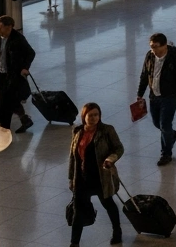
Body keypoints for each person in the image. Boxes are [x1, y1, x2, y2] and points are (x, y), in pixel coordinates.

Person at [67, 103, 124, 247]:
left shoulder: (107, 130)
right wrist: (71, 178)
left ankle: (117, 231)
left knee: (108, 203)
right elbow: (72, 157)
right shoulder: (77, 131)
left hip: (99, 176)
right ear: (84, 116)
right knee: (78, 210)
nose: (93, 118)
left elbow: (119, 148)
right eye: (90, 115)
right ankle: (74, 243)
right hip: (81, 177)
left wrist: (111, 159)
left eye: (96, 115)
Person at [136, 32, 176, 166]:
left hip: (170, 96)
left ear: (165, 45)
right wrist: (140, 93)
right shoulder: (150, 56)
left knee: (164, 125)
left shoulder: (175, 58)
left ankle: (166, 153)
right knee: (157, 123)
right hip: (154, 96)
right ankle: (171, 135)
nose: (153, 50)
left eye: (156, 46)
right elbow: (144, 74)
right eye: (151, 46)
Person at [0, 15, 35, 133]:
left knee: (5, 101)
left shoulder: (18, 39)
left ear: (9, 27)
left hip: (13, 76)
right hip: (0, 74)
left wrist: (25, 67)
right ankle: (24, 120)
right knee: (9, 100)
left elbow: (31, 53)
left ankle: (2, 127)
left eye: (0, 28)